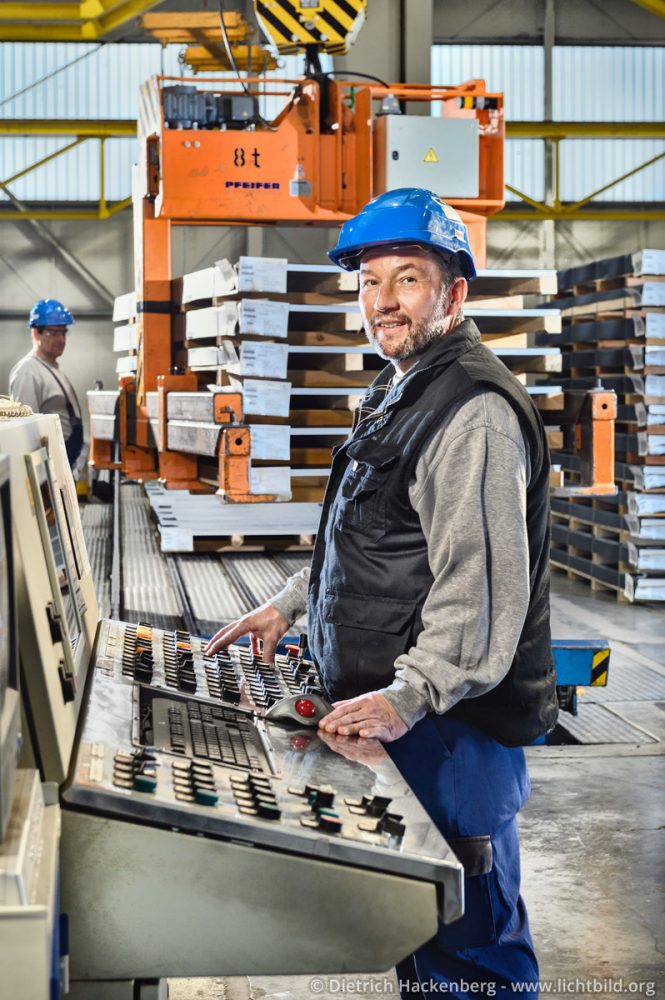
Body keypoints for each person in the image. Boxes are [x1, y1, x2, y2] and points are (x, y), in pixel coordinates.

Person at [206, 188, 558, 999]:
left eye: (407, 279)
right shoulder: (399, 390)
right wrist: (290, 604)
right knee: (417, 933)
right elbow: (374, 538)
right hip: (399, 720)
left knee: (470, 954)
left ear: (453, 293)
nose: (382, 301)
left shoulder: (469, 410)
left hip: (451, 734)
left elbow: (479, 587)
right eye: (369, 282)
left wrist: (411, 695)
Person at [9, 299, 84, 470]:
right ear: (36, 332)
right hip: (48, 470)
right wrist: (40, 477)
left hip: (62, 466)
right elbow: (25, 432)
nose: (61, 339)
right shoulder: (28, 371)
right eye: (54, 333)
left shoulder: (52, 369)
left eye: (64, 332)